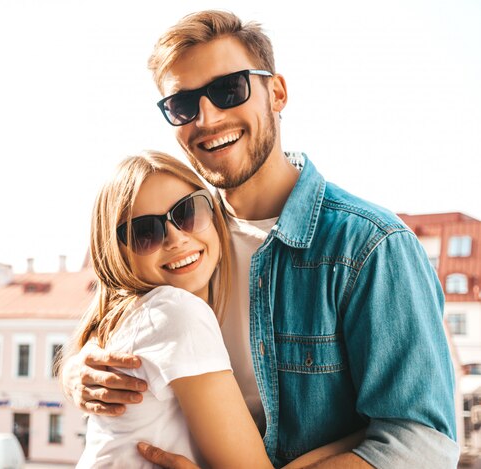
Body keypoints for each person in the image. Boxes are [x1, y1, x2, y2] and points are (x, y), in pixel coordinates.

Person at [63, 11, 459, 468]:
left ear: (277, 93)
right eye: (183, 104)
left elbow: (421, 445)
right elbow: (115, 315)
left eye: (229, 89)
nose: (207, 118)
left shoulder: (371, 246)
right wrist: (77, 372)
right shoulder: (176, 234)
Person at [74, 151, 363, 468]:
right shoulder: (176, 312)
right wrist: (364, 435)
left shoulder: (135, 315)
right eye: (145, 233)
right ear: (115, 252)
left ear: (213, 213)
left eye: (187, 212)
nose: (176, 238)